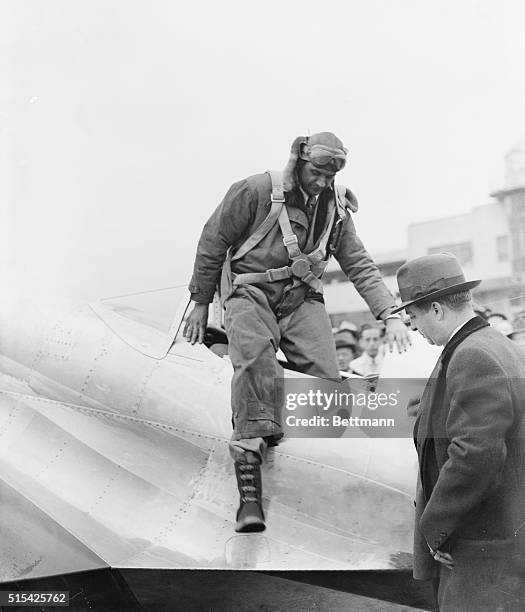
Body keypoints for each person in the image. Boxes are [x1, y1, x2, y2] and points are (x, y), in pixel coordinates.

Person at [184, 131, 410, 533]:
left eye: (330, 175)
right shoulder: (254, 191)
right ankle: (250, 482)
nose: (322, 182)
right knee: (255, 365)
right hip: (248, 293)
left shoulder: (336, 210)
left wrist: (390, 314)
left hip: (301, 299)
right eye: (317, 172)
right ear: (300, 160)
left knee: (324, 386)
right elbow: (213, 240)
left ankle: (301, 465)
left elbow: (358, 263)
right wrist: (201, 303)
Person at [392, 253, 525, 612]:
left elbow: (476, 453)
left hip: (479, 551)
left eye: (414, 316)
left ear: (436, 309)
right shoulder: (491, 345)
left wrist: (437, 527)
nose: (414, 328)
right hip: (495, 541)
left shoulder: (471, 355)